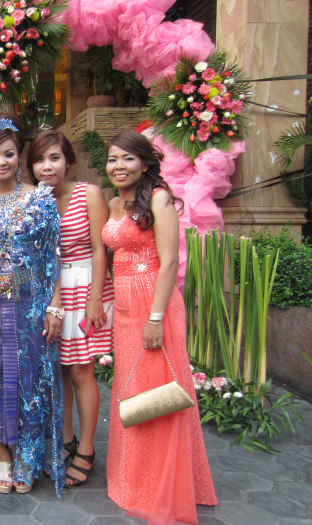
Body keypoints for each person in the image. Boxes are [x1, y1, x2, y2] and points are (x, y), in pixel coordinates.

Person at [102, 131, 217, 523]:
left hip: (154, 305)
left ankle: (162, 486)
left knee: (158, 393)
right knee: (132, 390)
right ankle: (135, 477)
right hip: (124, 309)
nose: (119, 166)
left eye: (127, 158)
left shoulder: (159, 198)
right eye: (113, 159)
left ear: (146, 163)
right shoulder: (114, 203)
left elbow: (169, 262)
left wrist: (155, 317)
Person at [0, 114, 65, 496]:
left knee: (30, 379)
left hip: (32, 303)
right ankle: (2, 454)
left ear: (19, 155)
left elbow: (54, 255)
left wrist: (54, 306)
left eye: (9, 153)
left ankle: (28, 455)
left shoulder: (39, 197)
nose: (2, 161)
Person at [28, 130, 114, 487]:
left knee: (81, 371)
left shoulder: (88, 193)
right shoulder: (37, 198)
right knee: (58, 371)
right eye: (39, 160)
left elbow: (99, 249)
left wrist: (95, 299)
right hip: (51, 291)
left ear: (69, 161)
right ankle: (66, 440)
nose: (47, 166)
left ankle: (87, 450)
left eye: (54, 158)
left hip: (85, 286)